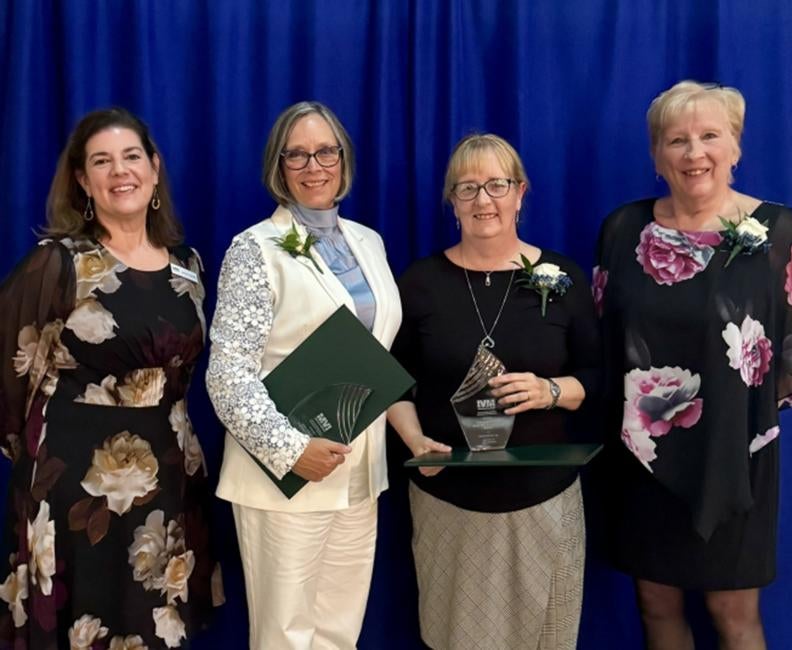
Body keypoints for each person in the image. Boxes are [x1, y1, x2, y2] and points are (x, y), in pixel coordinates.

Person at [0, 108, 222, 648]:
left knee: (154, 626)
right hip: (79, 488)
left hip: (171, 480)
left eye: (131, 157)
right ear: (83, 181)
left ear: (154, 168)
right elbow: (9, 373)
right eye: (102, 161)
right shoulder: (57, 263)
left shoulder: (187, 264)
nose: (119, 171)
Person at [595, 80, 792, 649]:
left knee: (734, 613)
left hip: (736, 455)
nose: (694, 153)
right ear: (657, 156)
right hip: (645, 454)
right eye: (676, 140)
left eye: (710, 136)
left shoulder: (780, 232)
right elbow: (603, 344)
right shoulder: (621, 230)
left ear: (735, 147)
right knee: (655, 605)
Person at [388, 133, 600, 650]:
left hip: (543, 502)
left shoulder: (563, 277)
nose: (484, 200)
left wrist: (550, 390)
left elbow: (600, 379)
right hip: (447, 503)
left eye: (497, 185)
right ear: (451, 201)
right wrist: (416, 443)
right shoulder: (419, 282)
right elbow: (391, 383)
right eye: (467, 188)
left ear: (521, 192)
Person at [207, 101, 401, 649]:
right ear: (279, 165)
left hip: (360, 473)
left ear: (343, 158)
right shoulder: (254, 249)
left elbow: (379, 351)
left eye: (325, 151)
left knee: (340, 632)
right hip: (284, 478)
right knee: (285, 637)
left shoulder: (369, 243)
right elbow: (227, 375)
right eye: (297, 154)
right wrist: (292, 450)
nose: (313, 165)